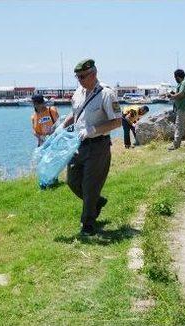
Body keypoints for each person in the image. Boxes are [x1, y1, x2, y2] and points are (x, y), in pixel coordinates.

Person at [59, 59, 122, 236]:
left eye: (82, 76)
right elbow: (75, 113)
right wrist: (62, 126)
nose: (79, 80)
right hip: (78, 144)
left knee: (90, 186)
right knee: (72, 181)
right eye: (77, 77)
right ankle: (97, 202)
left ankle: (87, 224)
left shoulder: (106, 94)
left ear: (93, 74)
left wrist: (93, 130)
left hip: (97, 146)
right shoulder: (78, 92)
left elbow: (117, 121)